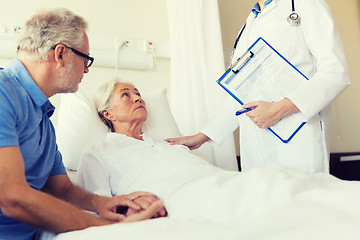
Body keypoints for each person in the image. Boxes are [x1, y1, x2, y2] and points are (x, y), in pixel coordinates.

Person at [77, 80, 360, 225]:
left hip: (213, 179)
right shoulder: (97, 152)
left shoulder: (166, 144)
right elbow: (100, 206)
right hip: (177, 196)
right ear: (107, 113)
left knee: (274, 181)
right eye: (126, 95)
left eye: (138, 92)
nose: (138, 97)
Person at [0, 9, 166, 240]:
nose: (87, 69)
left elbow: (62, 189)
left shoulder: (43, 120)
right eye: (85, 59)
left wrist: (104, 203)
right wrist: (107, 228)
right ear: (60, 54)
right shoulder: (3, 92)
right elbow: (11, 197)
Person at [165, 0, 350, 173]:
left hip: (298, 141)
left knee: (300, 204)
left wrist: (278, 109)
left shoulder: (305, 4)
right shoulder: (247, 27)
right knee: (262, 202)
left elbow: (335, 72)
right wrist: (201, 137)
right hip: (255, 148)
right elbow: (239, 99)